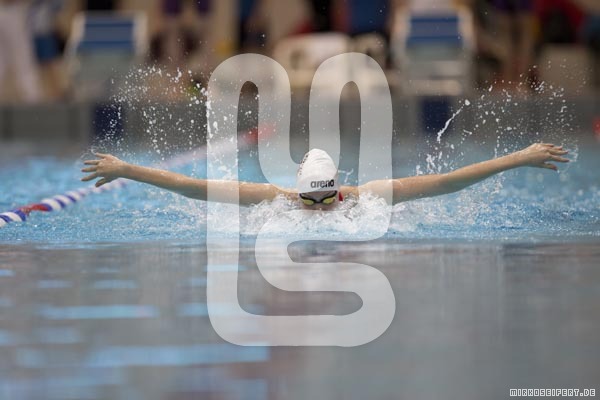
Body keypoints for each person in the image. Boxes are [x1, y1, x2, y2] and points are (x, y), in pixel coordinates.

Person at [81, 143, 569, 209]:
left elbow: (448, 181)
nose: (317, 210)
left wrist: (517, 158)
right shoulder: (273, 198)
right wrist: (128, 170)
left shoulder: (366, 197)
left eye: (324, 200)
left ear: (340, 190)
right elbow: (195, 187)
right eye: (309, 200)